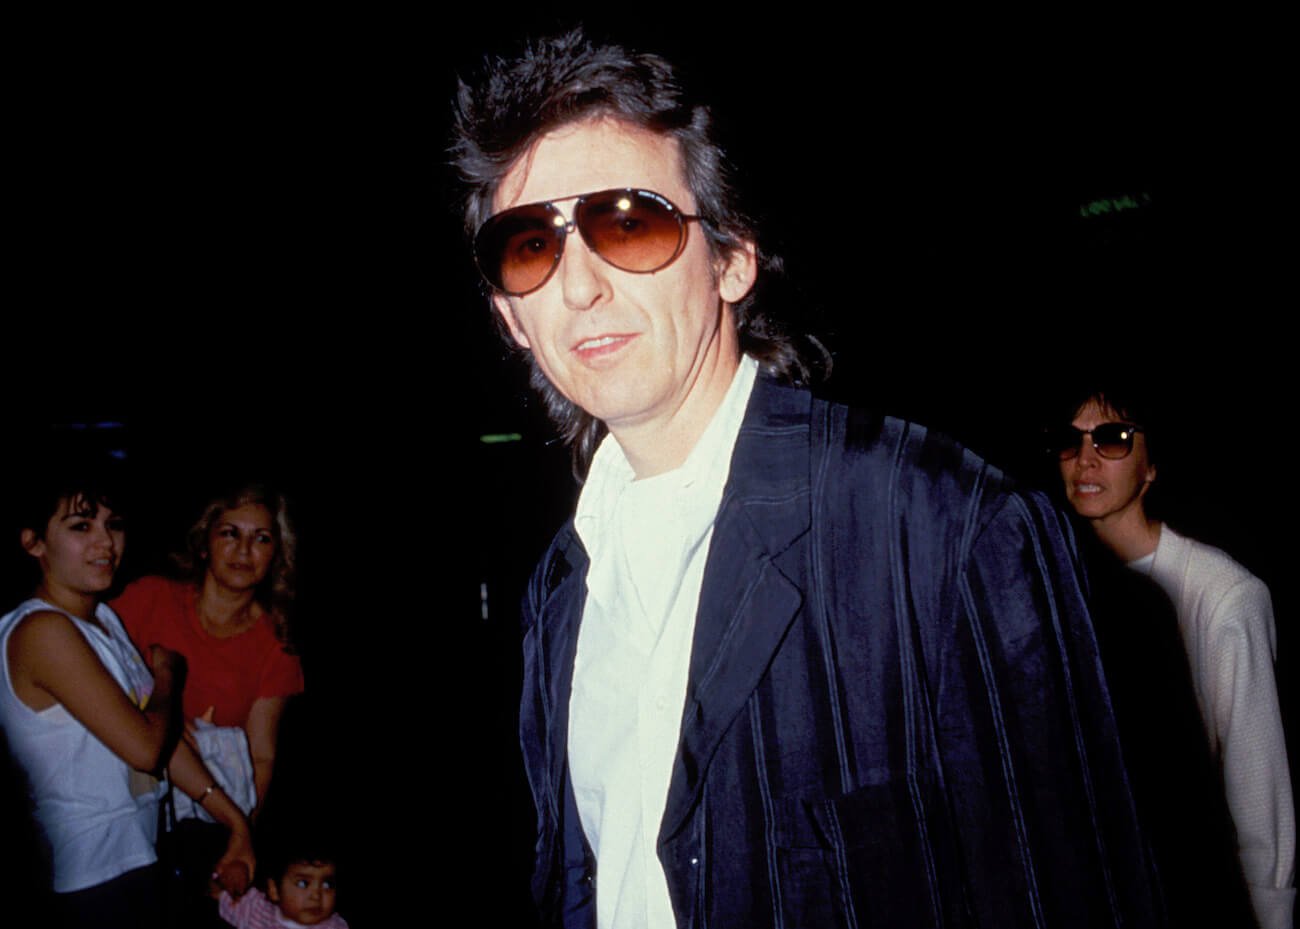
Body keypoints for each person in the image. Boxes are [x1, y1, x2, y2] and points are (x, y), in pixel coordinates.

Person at [455, 30, 1163, 927]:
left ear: (732, 260)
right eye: (528, 245)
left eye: (626, 220)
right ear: (509, 315)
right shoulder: (562, 592)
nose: (579, 286)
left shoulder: (943, 527)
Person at [1050, 386, 1295, 929]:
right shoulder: (1049, 583)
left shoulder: (1225, 596)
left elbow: (1259, 792)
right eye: (1072, 441)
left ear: (1151, 465)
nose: (1086, 459)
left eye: (1113, 439)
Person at [0, 458, 254, 927]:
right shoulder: (40, 631)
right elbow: (144, 747)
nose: (105, 543)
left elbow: (161, 741)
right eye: (81, 526)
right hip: (89, 876)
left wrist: (234, 822)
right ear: (33, 542)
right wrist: (168, 676)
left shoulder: (103, 619)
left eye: (113, 525)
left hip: (140, 857)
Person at [112, 483, 304, 925]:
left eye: (261, 538)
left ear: (276, 554)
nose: (243, 550)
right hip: (119, 807)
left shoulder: (275, 643)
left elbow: (262, 755)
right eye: (229, 533)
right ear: (204, 543)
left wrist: (239, 839)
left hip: (200, 824)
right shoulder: (149, 599)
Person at [216, 840, 348, 929]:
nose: (316, 896)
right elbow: (218, 891)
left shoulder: (335, 926)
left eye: (327, 885)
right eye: (303, 883)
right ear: (274, 890)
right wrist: (233, 872)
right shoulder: (256, 909)